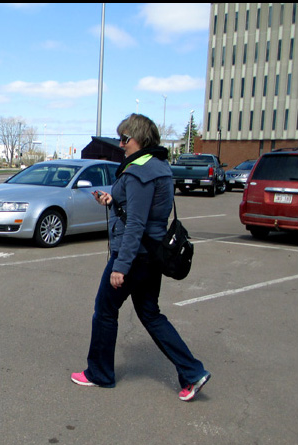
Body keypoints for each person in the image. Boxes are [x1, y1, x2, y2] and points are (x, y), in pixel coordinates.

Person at [71, 114, 210, 402]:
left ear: (141, 139)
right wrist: (112, 199)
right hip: (151, 254)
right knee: (150, 314)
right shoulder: (158, 166)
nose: (121, 144)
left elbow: (136, 223)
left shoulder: (138, 173)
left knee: (105, 310)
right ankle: (193, 372)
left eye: (125, 139)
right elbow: (143, 211)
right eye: (120, 138)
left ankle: (99, 373)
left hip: (133, 256)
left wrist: (120, 266)